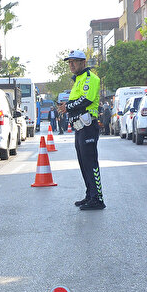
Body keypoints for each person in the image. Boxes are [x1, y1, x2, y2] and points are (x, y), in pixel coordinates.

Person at [61, 50, 105, 210]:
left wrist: (67, 107)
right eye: (69, 62)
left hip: (88, 126)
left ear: (83, 63)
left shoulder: (90, 78)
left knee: (91, 162)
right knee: (83, 163)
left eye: (75, 61)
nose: (71, 64)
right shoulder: (78, 80)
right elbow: (75, 100)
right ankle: (90, 194)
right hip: (79, 126)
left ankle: (98, 198)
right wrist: (67, 107)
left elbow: (86, 99)